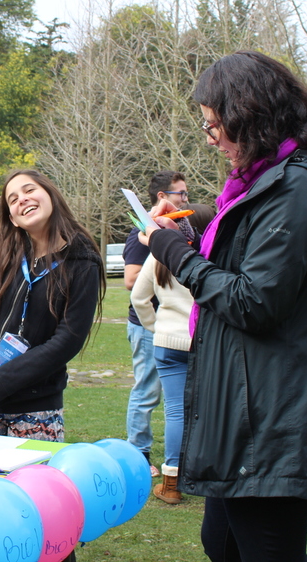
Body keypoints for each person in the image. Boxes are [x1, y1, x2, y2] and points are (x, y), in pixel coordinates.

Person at [140, 51, 307, 561]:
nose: (211, 139)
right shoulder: (265, 186)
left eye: (215, 125)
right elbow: (247, 255)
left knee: (265, 550)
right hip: (248, 403)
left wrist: (173, 252)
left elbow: (253, 301)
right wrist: (189, 230)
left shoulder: (298, 190)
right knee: (221, 542)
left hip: (274, 412)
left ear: (251, 116)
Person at [0, 170, 104, 442]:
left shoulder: (83, 261)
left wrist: (2, 381)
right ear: (12, 218)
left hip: (36, 405)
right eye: (13, 199)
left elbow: (68, 339)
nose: (22, 199)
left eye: (29, 190)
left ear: (51, 195)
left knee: (32, 472)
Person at [130, 203, 214, 504]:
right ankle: (206, 475)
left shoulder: (160, 254)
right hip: (203, 341)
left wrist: (156, 328)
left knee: (176, 410)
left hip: (168, 343)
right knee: (208, 409)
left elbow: (139, 298)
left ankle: (172, 482)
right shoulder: (211, 256)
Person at [124, 170, 188, 477]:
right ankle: (138, 452)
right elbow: (131, 280)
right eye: (181, 194)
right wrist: (162, 262)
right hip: (148, 324)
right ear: (162, 197)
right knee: (147, 391)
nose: (185, 200)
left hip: (168, 326)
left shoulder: (174, 228)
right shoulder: (144, 233)